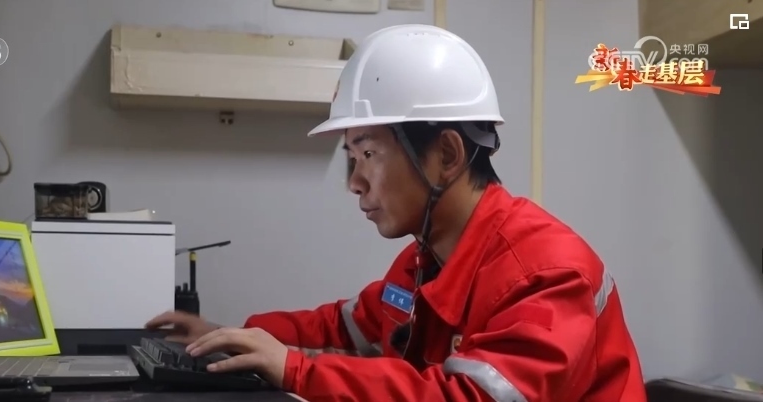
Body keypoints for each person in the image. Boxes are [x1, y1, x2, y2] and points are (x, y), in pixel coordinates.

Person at [146, 24, 647, 401]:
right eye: (351, 157)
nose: (354, 182)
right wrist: (232, 336)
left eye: (368, 153)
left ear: (446, 155)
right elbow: (345, 328)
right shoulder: (424, 262)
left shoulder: (547, 274)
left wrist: (296, 369)